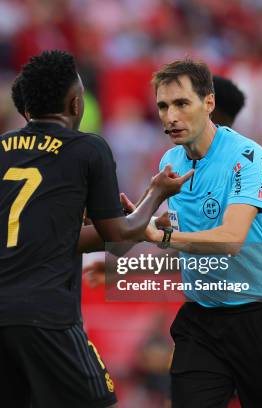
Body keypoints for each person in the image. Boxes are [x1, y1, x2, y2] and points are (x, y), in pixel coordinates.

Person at [0, 50, 193, 408]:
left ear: (24, 107)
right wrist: (156, 194)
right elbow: (117, 233)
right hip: (46, 316)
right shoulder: (87, 149)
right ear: (75, 103)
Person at [147, 59, 262, 407]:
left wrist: (165, 238)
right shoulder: (169, 163)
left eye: (181, 103)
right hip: (202, 319)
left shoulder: (247, 156)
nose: (169, 115)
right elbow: (183, 239)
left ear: (209, 103)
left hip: (261, 317)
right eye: (163, 105)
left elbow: (231, 240)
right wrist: (153, 227)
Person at [83, 74, 248, 288]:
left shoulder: (236, 172)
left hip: (243, 308)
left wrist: (141, 221)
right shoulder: (185, 166)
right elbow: (188, 254)